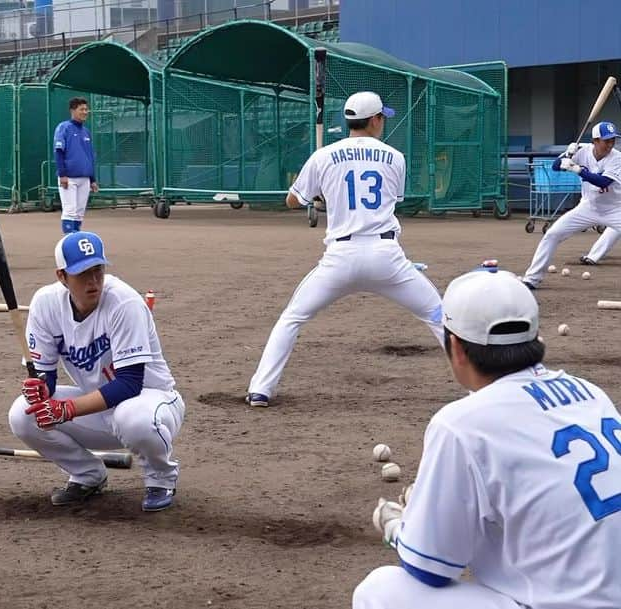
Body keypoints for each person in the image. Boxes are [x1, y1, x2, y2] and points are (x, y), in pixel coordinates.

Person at [354, 269, 621, 609]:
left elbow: (430, 570)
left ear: (456, 347)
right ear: (537, 339)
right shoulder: (591, 392)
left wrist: (398, 526)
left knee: (379, 590)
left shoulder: (461, 423)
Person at [245, 91, 444, 408]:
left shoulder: (323, 155)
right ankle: (482, 389)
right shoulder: (395, 156)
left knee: (292, 318)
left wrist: (319, 197)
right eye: (383, 118)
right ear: (375, 120)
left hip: (340, 258)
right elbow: (390, 200)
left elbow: (292, 200)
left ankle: (261, 390)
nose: (383, 122)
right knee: (440, 315)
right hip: (386, 258)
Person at [8, 231, 185, 512]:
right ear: (62, 276)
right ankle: (87, 475)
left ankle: (161, 479)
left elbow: (129, 384)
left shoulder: (124, 302)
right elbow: (46, 375)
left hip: (153, 401)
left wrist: (67, 408)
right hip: (98, 405)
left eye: (98, 270)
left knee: (133, 418)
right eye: (82, 274)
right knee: (23, 414)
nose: (93, 281)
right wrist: (42, 387)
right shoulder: (45, 303)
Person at [521, 121, 621, 289]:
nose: (610, 144)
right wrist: (567, 154)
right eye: (606, 140)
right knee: (552, 234)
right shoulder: (582, 150)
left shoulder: (617, 158)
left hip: (616, 209)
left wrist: (578, 170)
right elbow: (555, 167)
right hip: (588, 207)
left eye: (613, 140)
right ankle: (532, 279)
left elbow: (603, 182)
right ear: (595, 141)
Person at [53, 97, 98, 234]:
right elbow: (59, 151)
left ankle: (76, 241)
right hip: (69, 178)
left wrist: (93, 179)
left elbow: (89, 156)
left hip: (84, 178)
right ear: (73, 110)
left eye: (86, 109)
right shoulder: (64, 127)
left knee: (79, 212)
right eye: (82, 109)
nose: (85, 112)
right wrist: (62, 174)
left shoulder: (86, 131)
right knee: (70, 210)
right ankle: (69, 241)